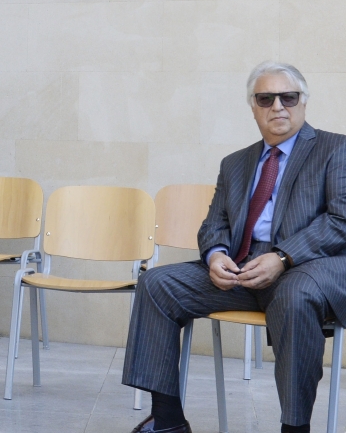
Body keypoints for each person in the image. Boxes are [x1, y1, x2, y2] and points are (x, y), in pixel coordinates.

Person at [123, 61, 346, 433]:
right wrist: (215, 256)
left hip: (308, 267)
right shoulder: (235, 164)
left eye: (288, 97)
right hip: (244, 267)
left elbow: (341, 220)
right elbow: (214, 223)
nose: (278, 106)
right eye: (266, 99)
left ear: (303, 102)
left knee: (295, 296)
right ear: (253, 108)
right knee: (157, 284)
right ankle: (167, 420)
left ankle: (295, 428)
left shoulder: (336, 149)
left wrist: (282, 256)